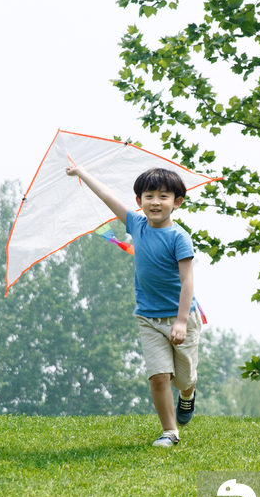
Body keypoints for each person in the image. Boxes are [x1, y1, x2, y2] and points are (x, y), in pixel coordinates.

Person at [65, 163, 202, 447]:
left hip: (182, 318)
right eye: (148, 196)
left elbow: (187, 281)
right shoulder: (136, 225)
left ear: (177, 202)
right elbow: (106, 196)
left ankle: (188, 396)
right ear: (138, 201)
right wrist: (81, 173)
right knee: (158, 376)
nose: (155, 202)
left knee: (183, 379)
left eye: (163, 196)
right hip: (148, 318)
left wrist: (179, 321)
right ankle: (169, 432)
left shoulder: (179, 237)